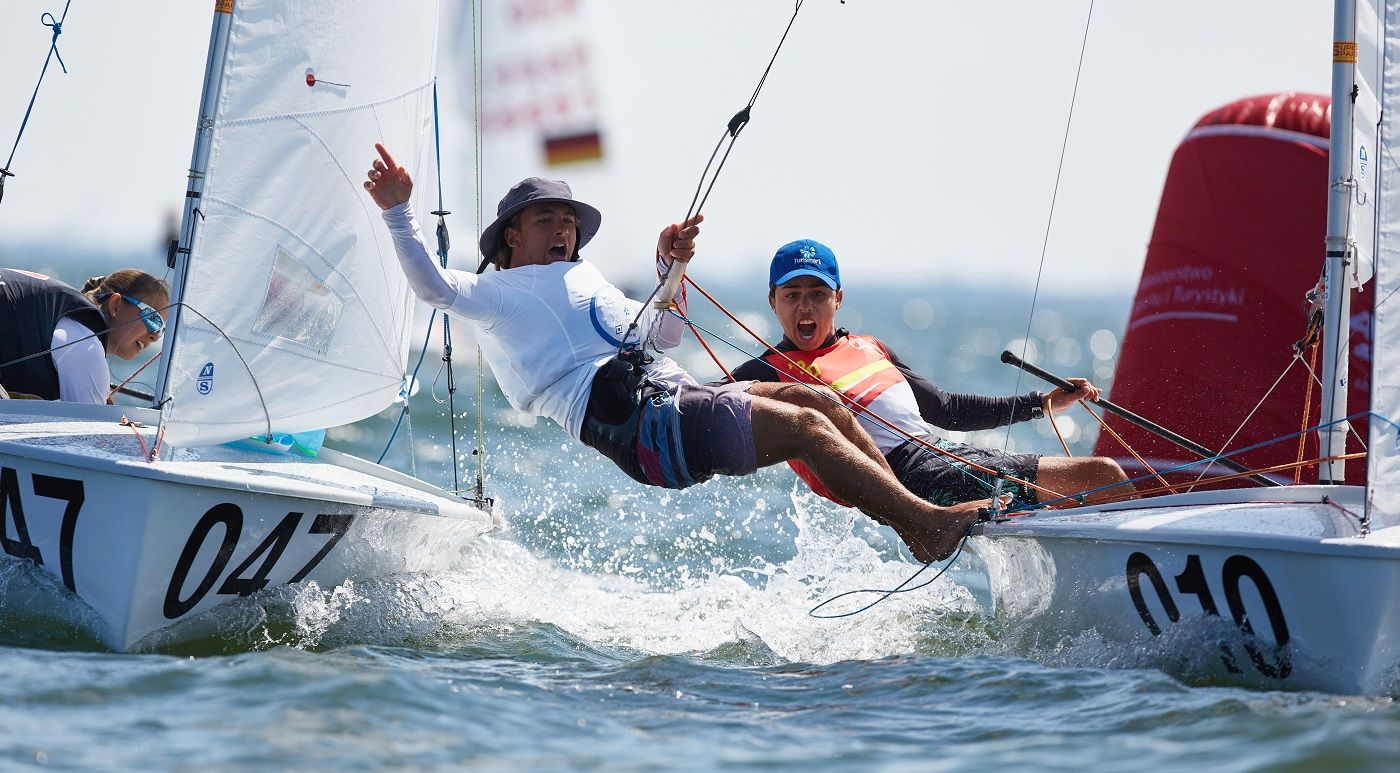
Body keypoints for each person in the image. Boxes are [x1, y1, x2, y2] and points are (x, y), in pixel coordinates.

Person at [363, 144, 998, 562]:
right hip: (642, 428)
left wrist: (670, 267)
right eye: (545, 220)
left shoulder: (584, 279)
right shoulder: (498, 292)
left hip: (673, 395)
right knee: (805, 427)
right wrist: (399, 212)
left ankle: (915, 517)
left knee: (816, 398)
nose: (562, 230)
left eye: (568, 221)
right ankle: (923, 520)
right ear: (511, 235)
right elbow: (433, 287)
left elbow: (659, 337)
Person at [727, 239, 1135, 510]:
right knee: (1102, 475)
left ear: (838, 298)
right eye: (792, 295)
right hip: (909, 481)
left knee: (1093, 485)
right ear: (772, 302)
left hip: (945, 454)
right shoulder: (766, 372)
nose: (805, 308)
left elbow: (946, 408)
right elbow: (695, 407)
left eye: (817, 294)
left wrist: (1042, 403)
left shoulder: (871, 348)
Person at [0, 268, 168, 403]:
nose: (155, 335)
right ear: (115, 305)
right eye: (153, 319)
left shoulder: (75, 324)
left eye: (161, 329)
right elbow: (89, 436)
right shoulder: (85, 345)